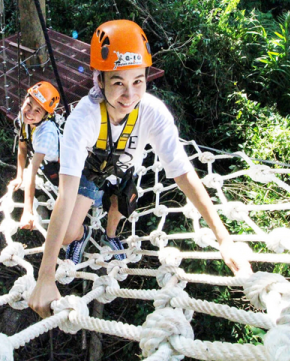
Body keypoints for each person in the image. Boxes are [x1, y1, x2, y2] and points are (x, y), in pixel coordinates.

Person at [28, 20, 253, 318]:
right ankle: (81, 235)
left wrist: (224, 238)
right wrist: (45, 276)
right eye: (118, 82)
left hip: (124, 172)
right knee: (69, 234)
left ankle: (111, 235)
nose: (129, 94)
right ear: (100, 81)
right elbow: (65, 195)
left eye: (138, 81)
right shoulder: (82, 120)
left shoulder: (152, 112)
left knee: (118, 214)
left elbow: (183, 173)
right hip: (91, 173)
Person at [10, 82, 61, 230]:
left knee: (60, 194)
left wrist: (28, 211)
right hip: (44, 162)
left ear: (46, 116)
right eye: (29, 104)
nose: (30, 112)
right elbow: (22, 145)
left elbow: (32, 170)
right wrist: (19, 176)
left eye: (38, 110)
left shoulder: (46, 133)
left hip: (58, 165)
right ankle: (43, 201)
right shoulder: (23, 118)